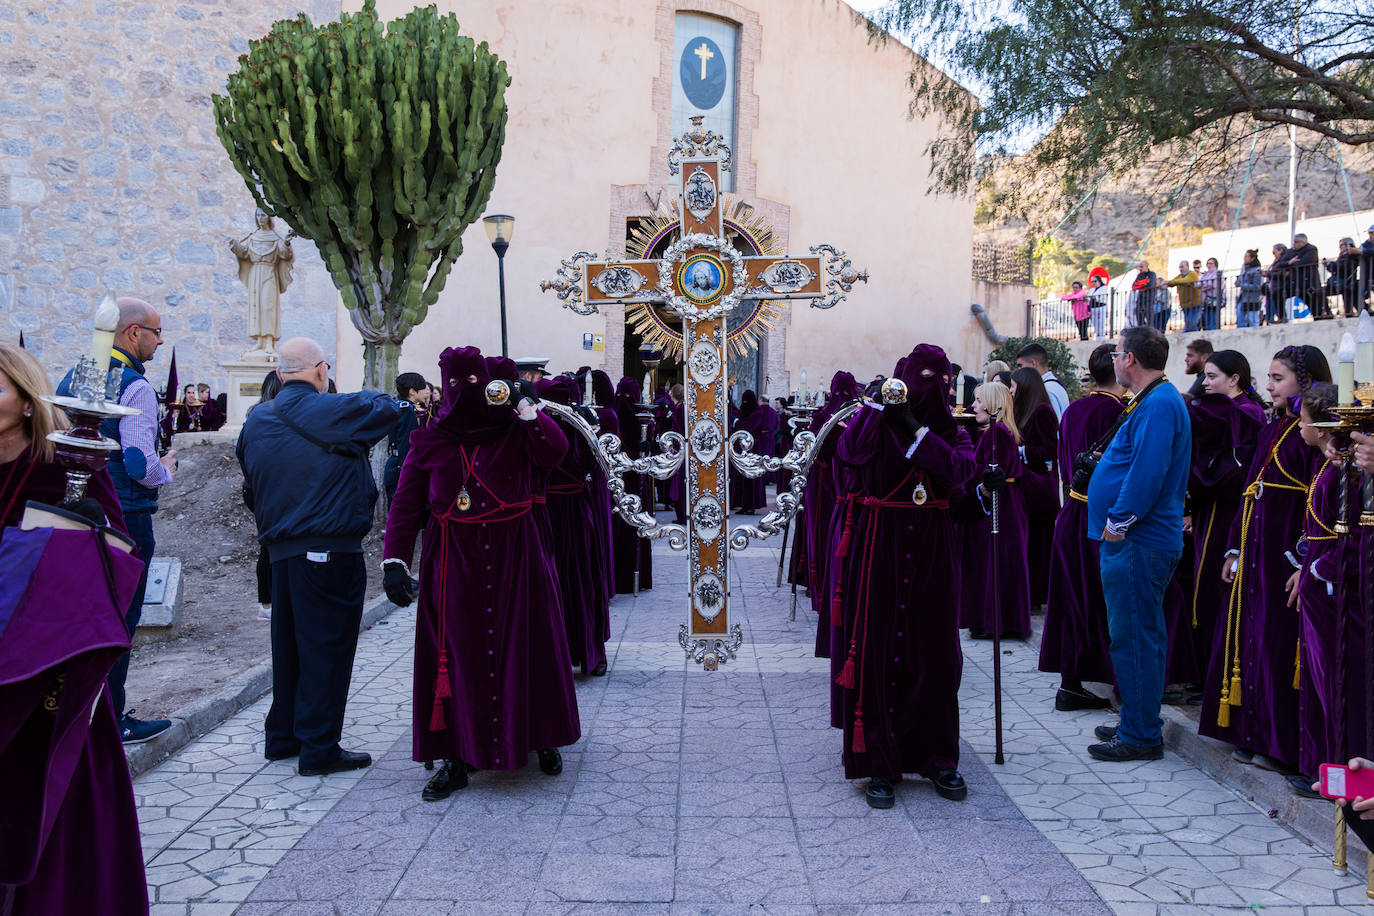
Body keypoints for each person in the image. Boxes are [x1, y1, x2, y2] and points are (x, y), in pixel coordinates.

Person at [382, 347, 580, 801]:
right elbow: (407, 502)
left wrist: (526, 406)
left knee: (526, 646)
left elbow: (555, 453)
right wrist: (395, 559)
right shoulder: (430, 439)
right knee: (457, 656)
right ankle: (456, 755)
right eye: (455, 385)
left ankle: (540, 736)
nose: (464, 393)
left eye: (474, 383)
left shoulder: (515, 427)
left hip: (517, 555)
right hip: (452, 562)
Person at [236, 337, 398, 776]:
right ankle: (319, 748)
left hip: (279, 553)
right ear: (321, 371)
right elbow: (386, 407)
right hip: (328, 549)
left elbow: (251, 486)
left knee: (288, 646)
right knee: (326, 647)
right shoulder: (329, 409)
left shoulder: (255, 420)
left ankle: (284, 736)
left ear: (281, 373)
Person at [828, 345, 977, 808]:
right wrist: (877, 409)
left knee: (935, 652)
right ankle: (879, 762)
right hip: (880, 547)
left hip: (933, 548)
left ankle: (938, 759)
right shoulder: (872, 425)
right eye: (924, 376)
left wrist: (917, 427)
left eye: (942, 377)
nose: (935, 385)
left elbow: (959, 470)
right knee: (879, 651)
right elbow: (848, 457)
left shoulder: (954, 431)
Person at [1200, 344, 1331, 773]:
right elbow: (1249, 487)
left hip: (1284, 554)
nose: (1269, 386)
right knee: (1249, 635)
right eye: (1269, 378)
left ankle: (1280, 743)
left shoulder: (1315, 430)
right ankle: (1251, 730)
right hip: (1255, 548)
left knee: (1276, 642)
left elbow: (1322, 499)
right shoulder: (1275, 427)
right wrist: (1235, 546)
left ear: (1304, 382)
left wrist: (1304, 557)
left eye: (1278, 379)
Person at [55, 297, 177, 745]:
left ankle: (73, 712)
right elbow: (138, 461)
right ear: (132, 333)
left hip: (75, 512)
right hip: (125, 517)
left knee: (82, 614)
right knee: (120, 617)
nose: (159, 341)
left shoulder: (74, 376)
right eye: (156, 332)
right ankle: (111, 718)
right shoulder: (136, 386)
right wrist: (168, 469)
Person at [1085, 326, 1190, 761]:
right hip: (1138, 541)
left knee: (1134, 637)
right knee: (1137, 634)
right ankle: (1138, 718)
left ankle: (1141, 734)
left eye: (1116, 354)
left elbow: (1147, 473)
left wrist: (1119, 523)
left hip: (1138, 541)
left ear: (1129, 359)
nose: (1114, 362)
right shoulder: (1157, 400)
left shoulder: (1161, 405)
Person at [1040, 344, 1126, 711]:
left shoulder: (1075, 408)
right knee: (1105, 598)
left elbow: (1063, 461)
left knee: (1072, 598)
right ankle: (1118, 678)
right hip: (1101, 517)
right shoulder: (1119, 412)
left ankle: (1072, 682)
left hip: (1073, 509)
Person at [1290, 383, 1361, 797]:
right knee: (1321, 684)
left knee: (1339, 685)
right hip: (1317, 590)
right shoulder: (1326, 469)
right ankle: (1327, 768)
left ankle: (1345, 777)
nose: (1298, 430)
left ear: (1321, 427)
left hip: (1334, 594)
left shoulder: (1343, 476)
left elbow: (1347, 538)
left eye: (1302, 422)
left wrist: (1316, 567)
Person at [1184, 350, 1266, 700]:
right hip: (1208, 510)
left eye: (1212, 376)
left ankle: (1213, 676)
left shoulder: (1246, 412)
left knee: (1213, 590)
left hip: (1228, 512)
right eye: (1204, 376)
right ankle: (1203, 671)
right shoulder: (1224, 410)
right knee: (1199, 587)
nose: (1205, 383)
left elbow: (1231, 469)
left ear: (1234, 379)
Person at [536, 375, 613, 677]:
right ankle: (590, 653)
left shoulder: (542, 426)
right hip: (574, 512)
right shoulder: (579, 426)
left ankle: (555, 656)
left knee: (557, 581)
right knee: (580, 579)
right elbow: (595, 467)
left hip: (547, 513)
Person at [957, 380, 1030, 639]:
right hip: (1004, 502)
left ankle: (993, 620)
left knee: (992, 560)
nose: (973, 406)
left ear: (992, 405)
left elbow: (984, 472)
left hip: (999, 506)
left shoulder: (996, 435)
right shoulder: (997, 432)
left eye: (978, 401)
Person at [802, 371, 861, 657]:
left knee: (827, 534)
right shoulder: (845, 415)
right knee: (828, 534)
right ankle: (825, 592)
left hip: (829, 483)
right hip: (833, 482)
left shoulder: (832, 414)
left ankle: (825, 594)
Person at [1010, 366, 1060, 608]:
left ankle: (1036, 596)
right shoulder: (1022, 410)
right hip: (1026, 486)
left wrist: (1021, 452)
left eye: (1013, 386)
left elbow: (1051, 448)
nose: (1010, 391)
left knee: (1038, 546)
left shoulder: (1042, 411)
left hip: (1038, 489)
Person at [246, 369, 284, 622]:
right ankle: (270, 603)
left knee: (267, 544)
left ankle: (268, 603)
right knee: (272, 546)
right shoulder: (272, 415)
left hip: (256, 485)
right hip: (272, 485)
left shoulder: (255, 414)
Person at [611, 376, 653, 594]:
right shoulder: (638, 416)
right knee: (633, 523)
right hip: (633, 477)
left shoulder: (614, 411)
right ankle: (634, 577)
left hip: (618, 478)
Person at [384, 371, 431, 506]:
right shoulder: (407, 411)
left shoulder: (399, 406)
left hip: (394, 465)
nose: (426, 392)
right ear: (412, 392)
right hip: (401, 467)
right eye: (422, 389)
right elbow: (407, 443)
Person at [730, 390, 777, 513]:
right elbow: (736, 412)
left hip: (754, 448)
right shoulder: (745, 411)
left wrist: (736, 422)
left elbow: (748, 427)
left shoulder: (757, 414)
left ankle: (751, 505)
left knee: (752, 476)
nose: (744, 403)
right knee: (742, 477)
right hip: (742, 449)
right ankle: (744, 505)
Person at [1015, 343, 1069, 419]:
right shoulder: (1054, 385)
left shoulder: (1046, 389)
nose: (1019, 370)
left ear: (1034, 364)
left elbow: (1054, 426)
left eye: (1020, 366)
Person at [1277, 234, 1324, 318]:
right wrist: (1289, 262)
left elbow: (1306, 262)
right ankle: (1282, 317)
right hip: (1295, 283)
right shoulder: (1290, 251)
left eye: (1296, 242)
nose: (1293, 244)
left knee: (1315, 306)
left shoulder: (1311, 249)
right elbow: (1279, 264)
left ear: (1303, 242)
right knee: (1278, 294)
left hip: (1309, 284)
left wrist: (1290, 265)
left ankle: (1320, 317)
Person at [1324, 237, 1362, 318]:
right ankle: (1329, 313)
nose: (1340, 247)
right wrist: (1328, 265)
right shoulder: (1342, 255)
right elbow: (1336, 270)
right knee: (1321, 292)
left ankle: (1350, 314)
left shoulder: (1351, 254)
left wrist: (1331, 264)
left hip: (1348, 282)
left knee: (1350, 298)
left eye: (1342, 245)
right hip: (1339, 281)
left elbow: (1344, 267)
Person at [1169, 260, 1202, 332]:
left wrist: (1171, 282)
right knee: (1189, 324)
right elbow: (1172, 282)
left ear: (1187, 267)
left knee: (1191, 324)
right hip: (1185, 305)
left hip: (1194, 304)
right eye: (1179, 267)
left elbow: (1185, 280)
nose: (1180, 269)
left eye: (1182, 267)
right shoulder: (1180, 276)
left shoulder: (1192, 274)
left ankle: (1195, 337)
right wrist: (1166, 283)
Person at [1236, 249, 1264, 328]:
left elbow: (1257, 286)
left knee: (1253, 319)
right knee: (1240, 318)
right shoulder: (1244, 268)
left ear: (1252, 258)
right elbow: (1241, 278)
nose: (1244, 258)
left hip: (1253, 299)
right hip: (1243, 297)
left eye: (1246, 256)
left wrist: (1242, 285)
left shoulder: (1256, 270)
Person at [1265, 243, 1290, 324]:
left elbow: (1282, 274)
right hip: (1272, 288)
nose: (1273, 254)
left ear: (1281, 251)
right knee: (1271, 308)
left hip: (1278, 287)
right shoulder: (1275, 262)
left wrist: (1268, 274)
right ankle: (1273, 321)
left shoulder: (1283, 261)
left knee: (1278, 307)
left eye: (1274, 252)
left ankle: (1282, 319)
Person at [1129, 261, 1157, 328]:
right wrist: (1144, 284)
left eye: (1141, 267)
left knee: (1150, 323)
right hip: (1140, 301)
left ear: (1146, 266)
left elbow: (1150, 284)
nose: (1140, 268)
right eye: (1139, 267)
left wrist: (1140, 284)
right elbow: (1134, 286)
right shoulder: (1139, 275)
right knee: (1139, 322)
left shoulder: (1152, 274)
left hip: (1149, 300)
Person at [1197, 258, 1222, 330]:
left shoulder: (1217, 273)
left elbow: (1213, 285)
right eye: (1208, 263)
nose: (1209, 265)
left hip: (1213, 299)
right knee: (1207, 319)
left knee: (1213, 319)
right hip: (1205, 300)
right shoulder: (1205, 274)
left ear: (1215, 265)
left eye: (1211, 263)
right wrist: (1205, 285)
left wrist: (1203, 286)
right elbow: (1198, 284)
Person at [1088, 273, 1111, 340]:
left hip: (1101, 306)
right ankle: (1097, 335)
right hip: (1093, 307)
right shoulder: (1091, 289)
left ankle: (1102, 336)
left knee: (1101, 321)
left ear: (1099, 281)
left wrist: (1095, 298)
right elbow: (1089, 297)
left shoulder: (1104, 288)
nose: (1093, 283)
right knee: (1095, 322)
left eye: (1095, 281)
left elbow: (1101, 297)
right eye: (1092, 281)